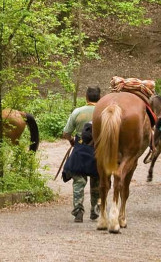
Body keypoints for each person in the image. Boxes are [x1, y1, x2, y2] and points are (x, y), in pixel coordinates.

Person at [61, 86, 101, 222]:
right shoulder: (104, 112)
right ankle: (95, 210)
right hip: (98, 151)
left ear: (86, 97)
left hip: (80, 150)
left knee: (79, 181)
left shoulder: (78, 112)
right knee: (97, 182)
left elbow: (66, 133)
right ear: (100, 97)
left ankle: (78, 211)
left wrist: (72, 141)